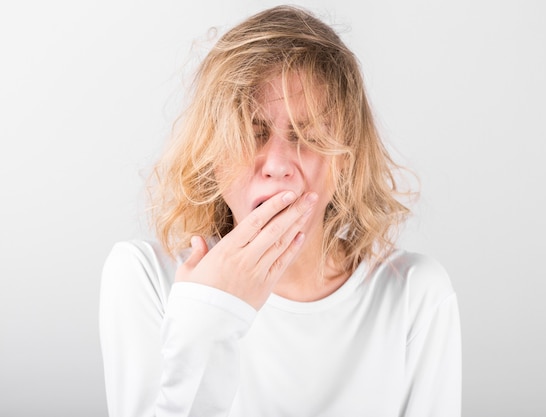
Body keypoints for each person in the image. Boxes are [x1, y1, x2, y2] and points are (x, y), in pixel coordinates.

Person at [99, 5, 461, 417]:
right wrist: (210, 314)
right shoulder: (143, 277)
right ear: (212, 153)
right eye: (252, 132)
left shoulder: (415, 294)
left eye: (307, 135)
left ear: (345, 159)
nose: (276, 164)